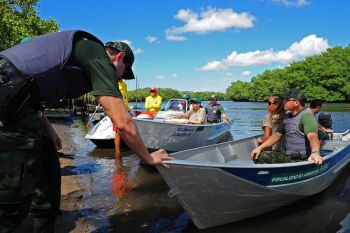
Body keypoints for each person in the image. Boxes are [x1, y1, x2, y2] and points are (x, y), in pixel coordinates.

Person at [0, 30, 173, 233]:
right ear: (119, 58)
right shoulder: (96, 55)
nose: (121, 80)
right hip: (7, 95)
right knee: (14, 195)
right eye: (123, 73)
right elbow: (123, 122)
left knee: (48, 169)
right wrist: (148, 157)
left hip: (24, 103)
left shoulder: (80, 57)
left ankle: (44, 223)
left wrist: (49, 131)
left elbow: (34, 97)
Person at [250, 89, 323, 165]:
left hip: (301, 159)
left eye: (286, 100)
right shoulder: (287, 117)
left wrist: (315, 152)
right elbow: (276, 135)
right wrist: (260, 147)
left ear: (296, 102)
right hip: (287, 156)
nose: (283, 102)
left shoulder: (307, 116)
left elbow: (313, 136)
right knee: (258, 156)